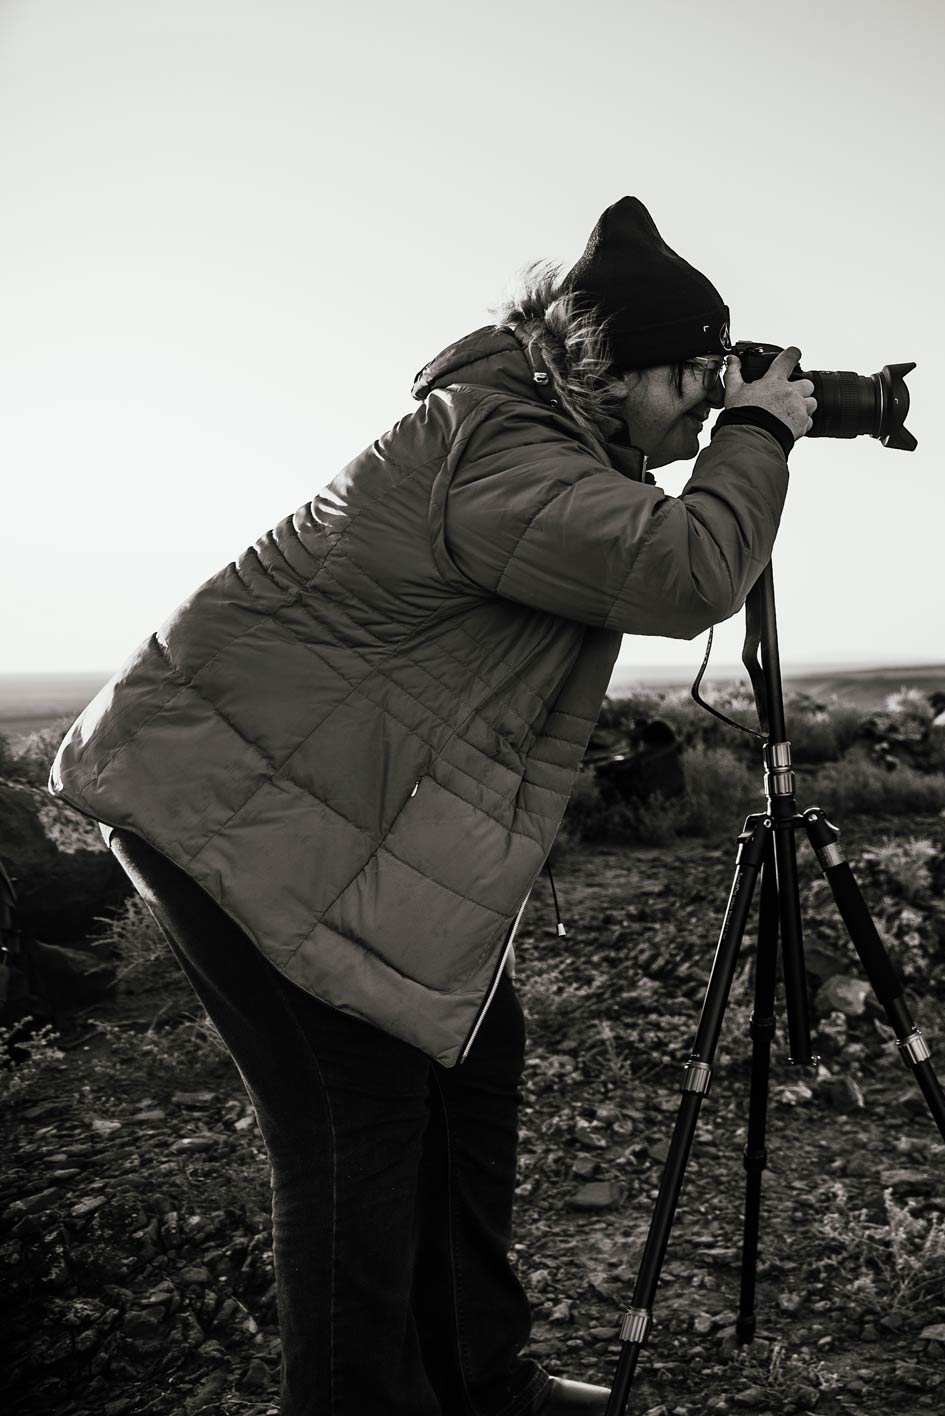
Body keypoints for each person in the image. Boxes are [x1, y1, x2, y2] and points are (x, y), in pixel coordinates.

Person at [48, 197, 816, 1416]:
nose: (703, 407)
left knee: (467, 1056)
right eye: (694, 377)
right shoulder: (502, 450)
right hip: (227, 810)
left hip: (317, 811)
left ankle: (476, 1381)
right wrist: (763, 437)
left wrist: (737, 429)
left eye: (721, 378)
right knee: (355, 1129)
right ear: (615, 366)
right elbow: (686, 571)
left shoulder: (548, 437)